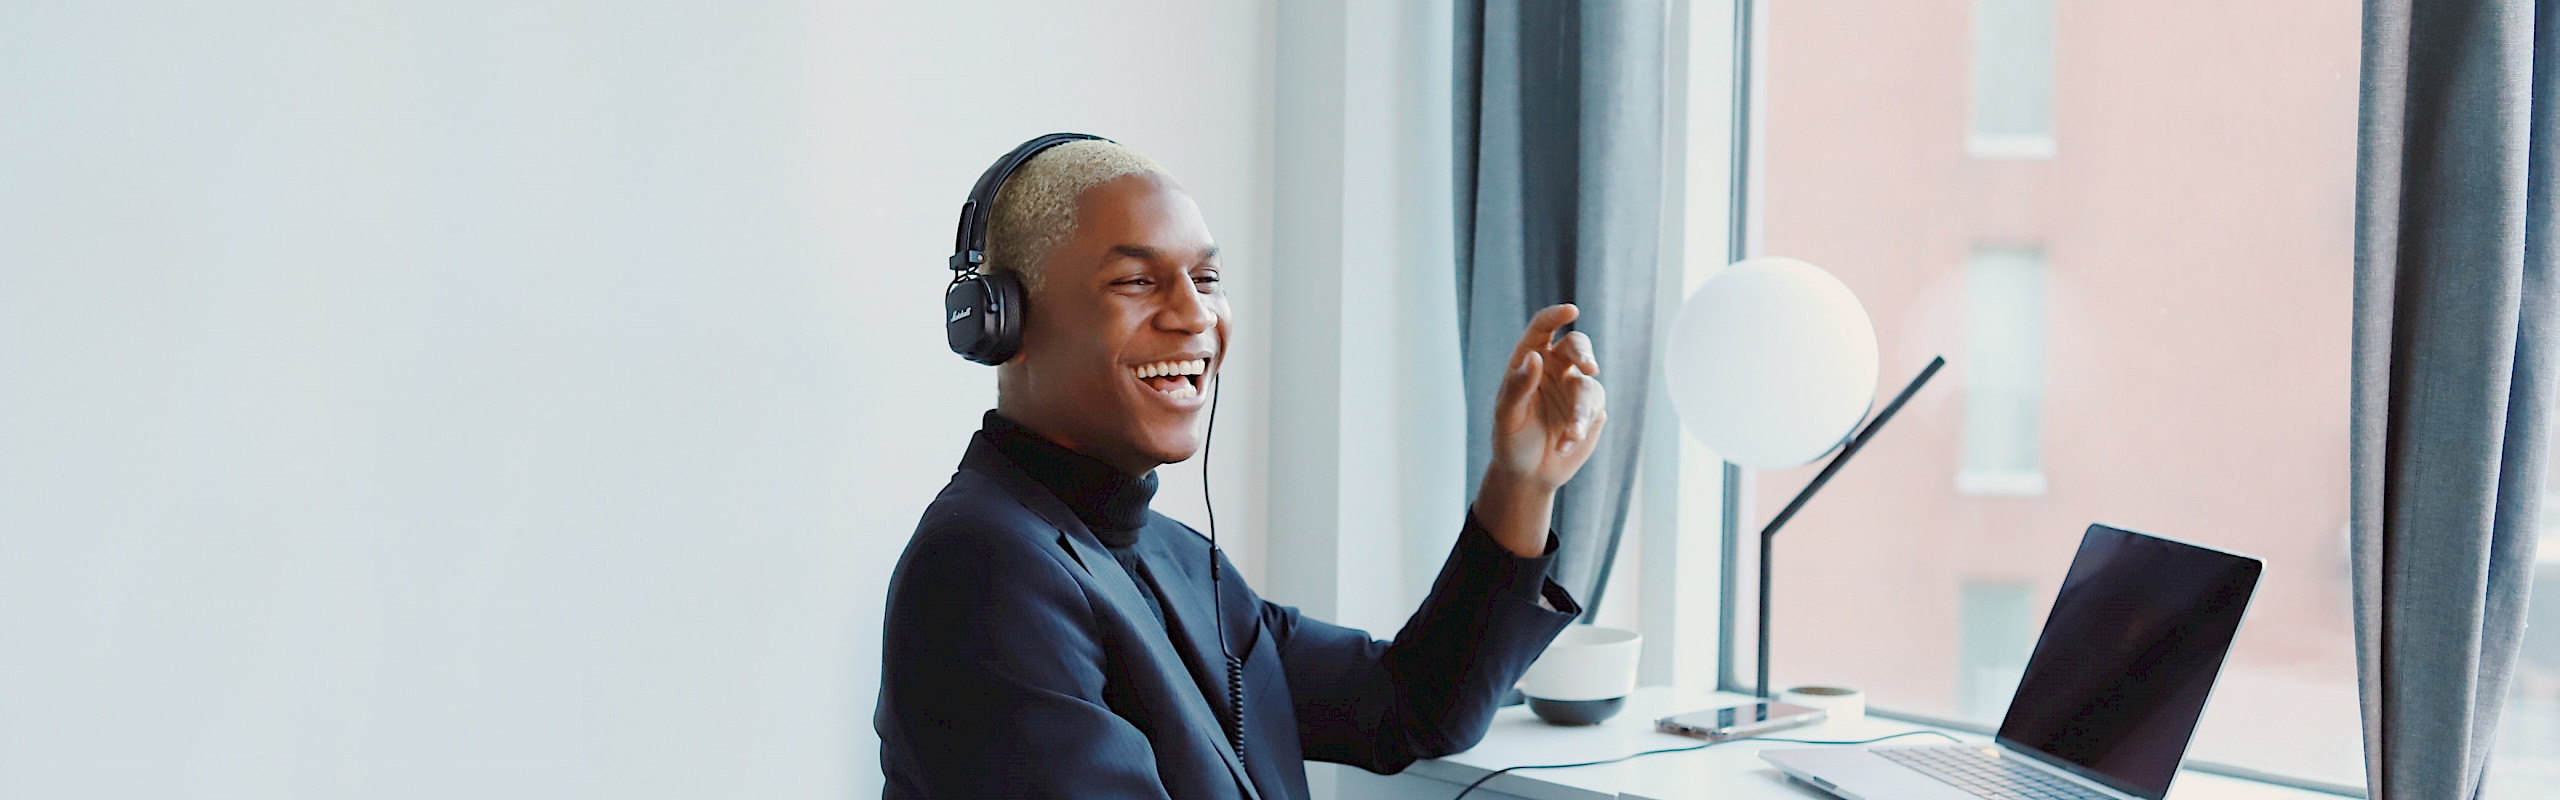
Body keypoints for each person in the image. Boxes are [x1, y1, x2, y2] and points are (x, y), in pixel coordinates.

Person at [875, 134, 1609, 800]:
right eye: (1136, 281)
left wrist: (1522, 483)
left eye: (1206, 278)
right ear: (1003, 323)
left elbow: (1409, 707)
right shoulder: (981, 568)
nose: (1195, 315)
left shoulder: (1173, 557)